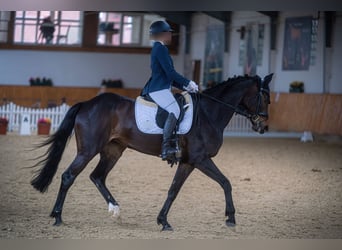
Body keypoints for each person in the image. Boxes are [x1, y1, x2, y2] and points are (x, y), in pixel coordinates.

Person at [141, 20, 198, 161]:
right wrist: (187, 82)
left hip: (162, 87)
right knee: (175, 110)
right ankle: (166, 147)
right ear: (162, 34)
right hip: (157, 89)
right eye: (169, 33)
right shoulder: (160, 48)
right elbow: (170, 72)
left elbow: (169, 77)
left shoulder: (159, 48)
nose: (171, 35)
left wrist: (185, 87)